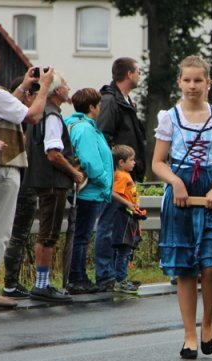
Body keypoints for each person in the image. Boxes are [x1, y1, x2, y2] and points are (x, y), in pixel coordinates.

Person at [152, 55, 212, 359]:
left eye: (198, 80)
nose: (192, 86)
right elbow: (158, 162)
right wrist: (175, 182)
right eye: (187, 80)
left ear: (208, 83)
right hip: (181, 195)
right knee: (185, 267)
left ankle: (208, 322)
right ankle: (189, 333)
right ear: (179, 82)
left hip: (211, 191)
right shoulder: (170, 117)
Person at [0, 42, 55, 308]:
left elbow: (7, 108)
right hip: (3, 165)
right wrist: (45, 87)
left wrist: (23, 87)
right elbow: (32, 115)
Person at [23, 69, 84, 303]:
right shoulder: (52, 116)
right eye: (66, 84)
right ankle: (42, 284)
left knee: (46, 232)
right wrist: (74, 172)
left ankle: (43, 282)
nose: (69, 88)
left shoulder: (41, 112)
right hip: (53, 181)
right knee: (48, 234)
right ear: (57, 91)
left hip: (42, 179)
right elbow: (53, 153)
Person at [94, 57, 146, 291]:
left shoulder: (125, 100)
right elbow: (104, 135)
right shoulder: (110, 100)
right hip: (115, 177)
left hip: (126, 174)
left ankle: (117, 275)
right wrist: (115, 167)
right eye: (138, 71)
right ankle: (106, 275)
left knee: (121, 229)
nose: (139, 75)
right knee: (108, 227)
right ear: (129, 74)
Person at [64, 88, 114, 294]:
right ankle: (77, 278)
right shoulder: (85, 129)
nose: (100, 108)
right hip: (89, 191)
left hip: (85, 191)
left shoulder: (75, 125)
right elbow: (90, 161)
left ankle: (77, 276)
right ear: (92, 107)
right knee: (82, 237)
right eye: (98, 104)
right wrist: (104, 180)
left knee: (80, 235)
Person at [1, 77, 42, 300]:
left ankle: (11, 282)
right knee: (15, 234)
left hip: (21, 179)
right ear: (28, 96)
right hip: (20, 180)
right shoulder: (19, 119)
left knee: (14, 234)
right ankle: (10, 283)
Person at [111, 144, 146, 293]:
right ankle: (120, 280)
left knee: (127, 249)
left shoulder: (126, 175)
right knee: (124, 249)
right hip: (123, 216)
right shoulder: (121, 176)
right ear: (121, 162)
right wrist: (128, 204)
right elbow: (114, 193)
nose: (134, 163)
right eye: (131, 160)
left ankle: (121, 278)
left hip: (130, 216)